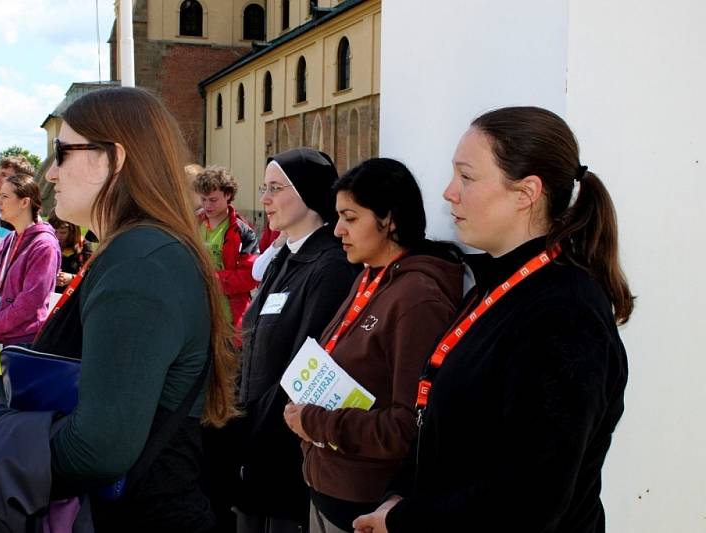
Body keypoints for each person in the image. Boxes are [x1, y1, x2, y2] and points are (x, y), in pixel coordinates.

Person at [353, 106, 632, 533]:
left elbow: (530, 497)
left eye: (466, 176)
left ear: (525, 193)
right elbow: (447, 427)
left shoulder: (564, 313)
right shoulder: (497, 284)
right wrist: (399, 494)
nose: (449, 192)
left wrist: (404, 520)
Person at [35, 86, 238, 531]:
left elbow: (99, 448)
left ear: (116, 158)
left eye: (62, 152)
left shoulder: (140, 261)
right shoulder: (141, 250)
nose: (50, 173)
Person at [281, 158, 464, 533]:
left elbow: (407, 427)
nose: (337, 231)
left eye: (350, 217)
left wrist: (315, 422)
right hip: (326, 488)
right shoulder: (370, 276)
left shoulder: (417, 299)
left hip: (365, 507)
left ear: (390, 219)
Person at [227, 148, 361, 533]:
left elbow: (304, 367)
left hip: (284, 453)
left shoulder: (331, 266)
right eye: (264, 188)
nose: (264, 199)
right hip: (254, 445)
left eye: (275, 188)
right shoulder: (287, 256)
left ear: (307, 192)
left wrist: (251, 432)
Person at [0, 174, 60, 363]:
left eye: (5, 196)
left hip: (23, 342)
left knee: (17, 393)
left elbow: (31, 301)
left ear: (24, 202)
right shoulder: (8, 240)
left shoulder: (44, 245)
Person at [193, 165, 258, 335]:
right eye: (203, 199)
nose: (207, 205)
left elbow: (250, 276)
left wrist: (209, 280)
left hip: (230, 321)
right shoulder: (192, 224)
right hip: (197, 317)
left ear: (228, 195)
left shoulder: (243, 231)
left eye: (213, 200)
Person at [48, 212, 93, 293]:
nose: (58, 236)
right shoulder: (45, 244)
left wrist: (72, 278)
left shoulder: (83, 245)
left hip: (72, 298)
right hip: (48, 297)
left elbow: (92, 277)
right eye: (54, 231)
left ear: (73, 232)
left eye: (63, 232)